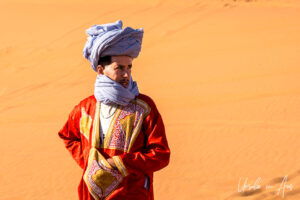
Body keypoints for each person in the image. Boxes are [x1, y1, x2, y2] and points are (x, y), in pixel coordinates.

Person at [58, 20, 170, 200]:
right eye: (119, 68)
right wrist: (88, 161)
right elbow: (67, 136)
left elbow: (161, 154)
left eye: (129, 67)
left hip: (133, 194)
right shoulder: (85, 108)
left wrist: (120, 162)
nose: (126, 74)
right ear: (101, 70)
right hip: (91, 195)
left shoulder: (144, 107)